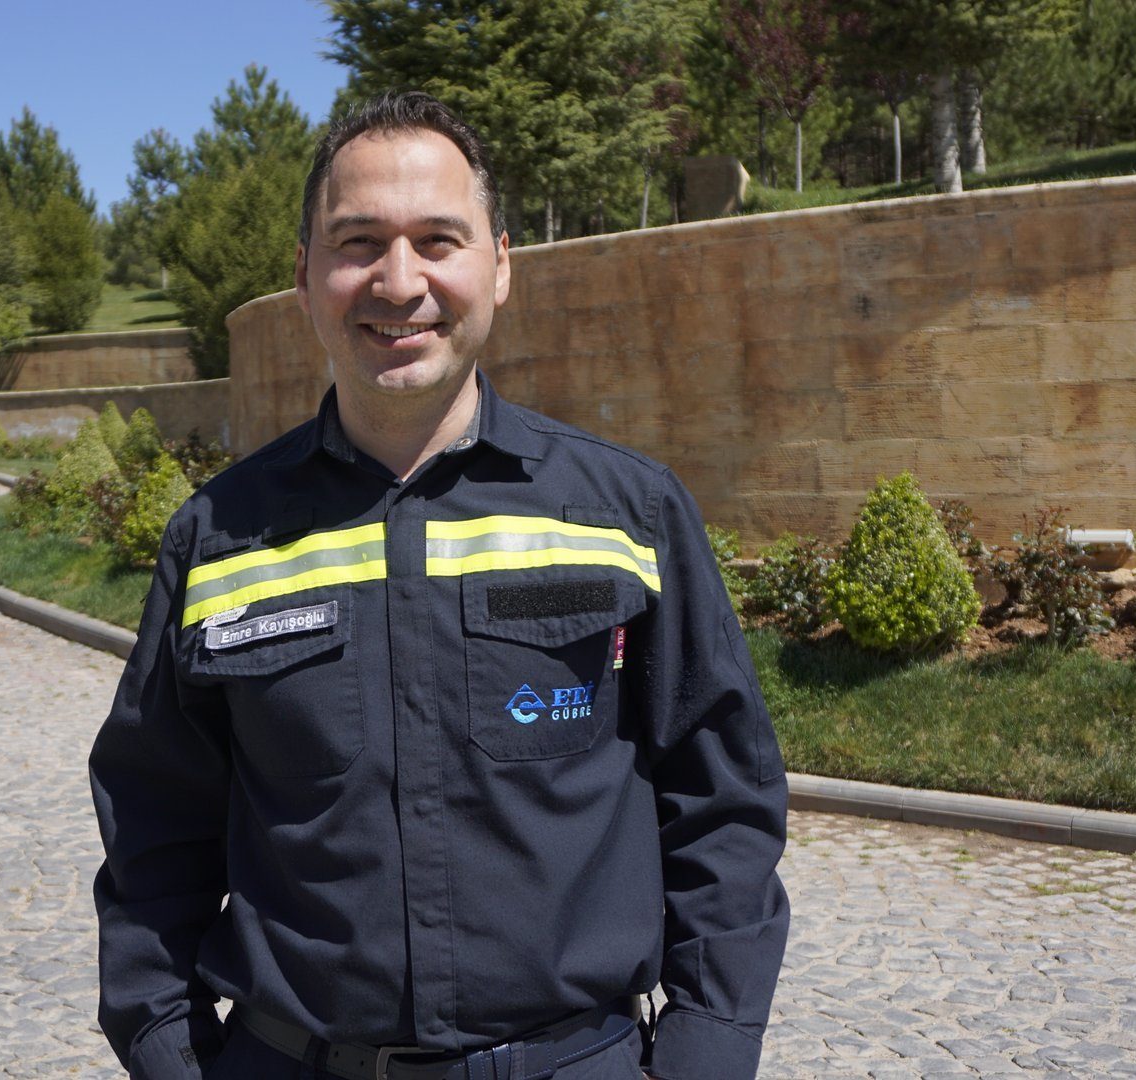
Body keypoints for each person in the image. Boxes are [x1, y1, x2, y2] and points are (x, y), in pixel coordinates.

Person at [90, 91, 789, 1080]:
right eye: (359, 241)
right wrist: (169, 1047)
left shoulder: (627, 517)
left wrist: (703, 1054)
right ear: (304, 278)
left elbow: (723, 804)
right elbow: (152, 826)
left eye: (438, 240)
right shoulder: (220, 540)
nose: (399, 280)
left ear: (499, 266)